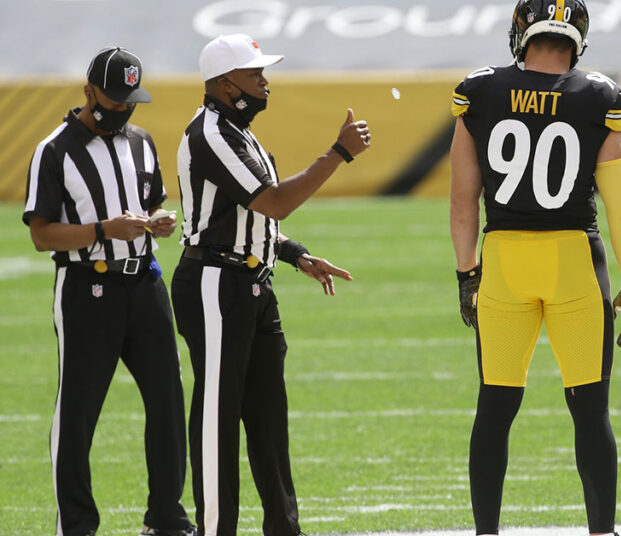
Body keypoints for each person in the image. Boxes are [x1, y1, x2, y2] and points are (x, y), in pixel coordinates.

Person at [449, 0, 621, 536]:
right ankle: (602, 532)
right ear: (577, 36)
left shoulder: (480, 92)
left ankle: (486, 532)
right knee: (590, 412)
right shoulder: (600, 95)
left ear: (521, 30)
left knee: (494, 408)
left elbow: (463, 201)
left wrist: (468, 274)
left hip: (505, 261)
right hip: (574, 264)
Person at [170, 33, 371, 536]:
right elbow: (273, 202)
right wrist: (338, 154)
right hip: (215, 284)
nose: (264, 81)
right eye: (253, 72)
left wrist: (296, 254)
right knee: (218, 419)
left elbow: (254, 220)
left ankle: (284, 529)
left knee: (267, 421)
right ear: (222, 82)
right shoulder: (210, 133)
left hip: (250, 283)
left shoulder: (240, 132)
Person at [23, 47, 195, 536]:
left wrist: (157, 225)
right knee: (78, 413)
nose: (121, 109)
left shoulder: (140, 141)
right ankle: (76, 525)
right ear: (88, 91)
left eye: (129, 101)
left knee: (166, 400)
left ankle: (166, 519)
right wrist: (103, 229)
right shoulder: (53, 150)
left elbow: (150, 207)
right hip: (87, 287)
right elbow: (41, 234)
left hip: (144, 282)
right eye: (113, 99)